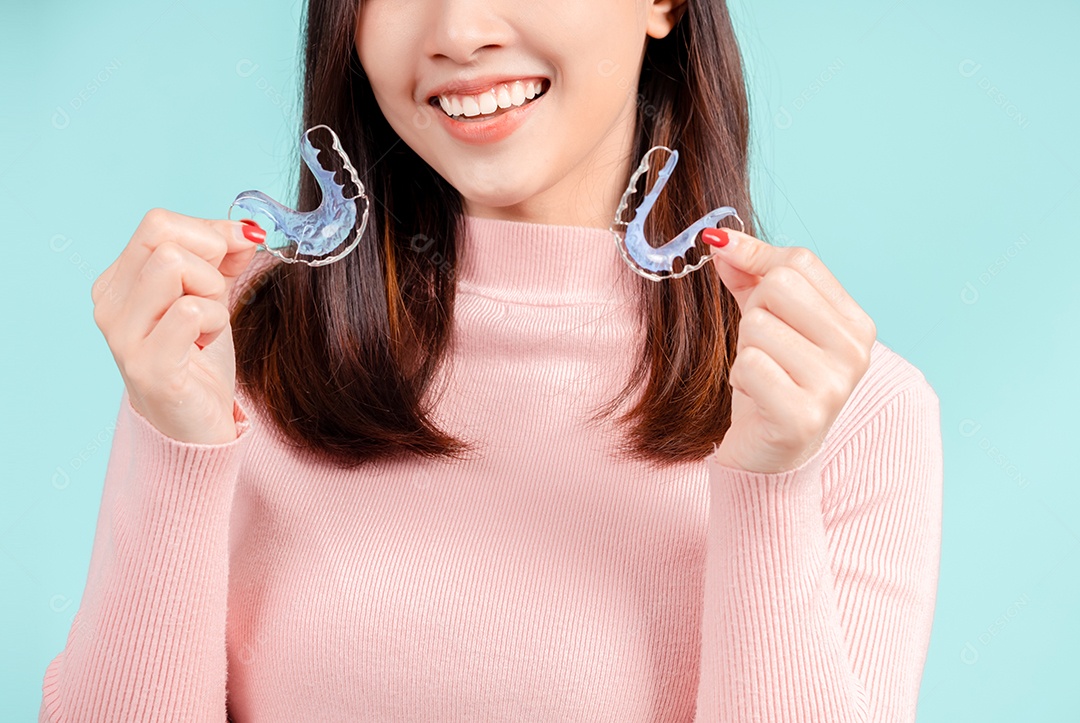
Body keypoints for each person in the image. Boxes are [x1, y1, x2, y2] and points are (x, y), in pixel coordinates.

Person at [38, 0, 943, 720]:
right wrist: (178, 444)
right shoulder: (225, 347)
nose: (460, 31)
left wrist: (769, 485)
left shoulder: (857, 412)